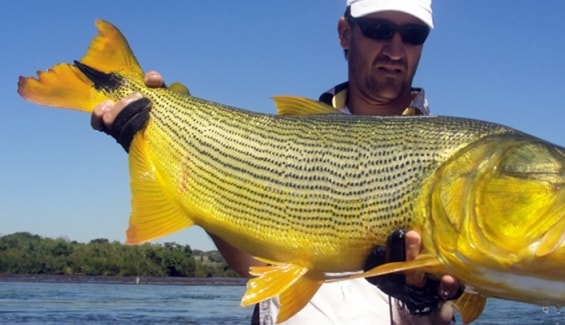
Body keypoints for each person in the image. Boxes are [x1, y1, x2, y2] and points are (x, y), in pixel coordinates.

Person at [91, 0, 462, 324]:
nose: (395, 49)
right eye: (379, 29)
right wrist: (161, 146)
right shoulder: (287, 140)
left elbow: (446, 315)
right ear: (345, 33)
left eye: (413, 34)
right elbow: (255, 263)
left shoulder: (455, 165)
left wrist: (426, 302)